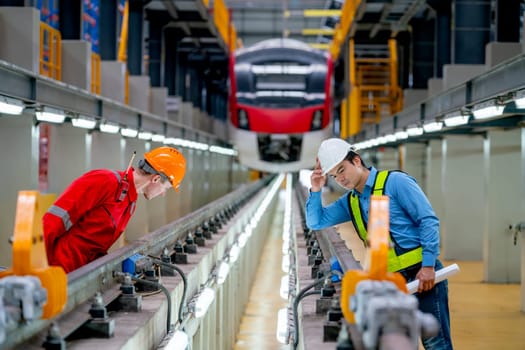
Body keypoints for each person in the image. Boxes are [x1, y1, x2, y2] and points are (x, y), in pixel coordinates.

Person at [305, 138, 453, 350]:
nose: (341, 179)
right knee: (398, 343)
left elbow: (427, 220)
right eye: (334, 176)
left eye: (342, 170)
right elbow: (315, 221)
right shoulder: (351, 201)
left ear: (356, 160)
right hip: (390, 283)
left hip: (422, 275)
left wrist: (428, 265)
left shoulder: (396, 182)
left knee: (436, 342)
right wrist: (316, 189)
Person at [43, 146, 186, 273]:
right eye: (165, 188)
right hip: (58, 270)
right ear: (155, 179)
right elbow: (53, 220)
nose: (162, 194)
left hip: (81, 273)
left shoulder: (130, 203)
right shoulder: (104, 181)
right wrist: (34, 267)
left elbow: (95, 247)